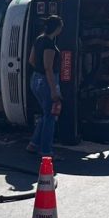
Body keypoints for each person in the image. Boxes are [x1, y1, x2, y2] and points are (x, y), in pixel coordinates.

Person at [27, 15, 63, 155]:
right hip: (46, 81)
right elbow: (48, 67)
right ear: (57, 28)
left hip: (35, 79)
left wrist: (39, 71)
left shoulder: (38, 39)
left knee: (45, 113)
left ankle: (33, 144)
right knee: (50, 117)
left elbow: (31, 60)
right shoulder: (49, 45)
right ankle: (46, 150)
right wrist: (54, 90)